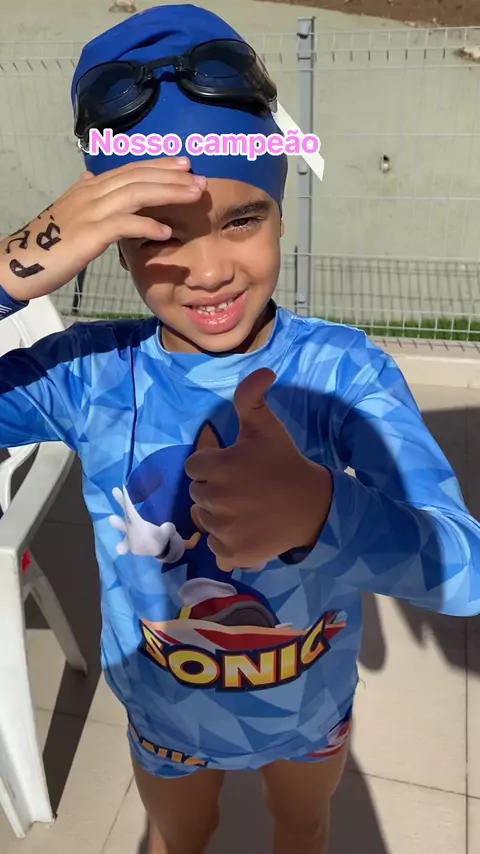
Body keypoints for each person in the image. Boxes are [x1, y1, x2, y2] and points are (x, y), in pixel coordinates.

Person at [0, 6, 479, 854]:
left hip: (310, 713)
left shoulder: (343, 374)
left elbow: (465, 569)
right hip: (163, 719)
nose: (209, 270)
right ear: (112, 246)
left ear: (283, 213)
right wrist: (9, 269)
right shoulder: (89, 376)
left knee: (303, 826)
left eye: (241, 219)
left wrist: (323, 513)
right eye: (162, 235)